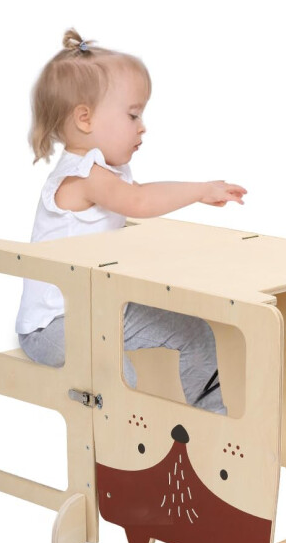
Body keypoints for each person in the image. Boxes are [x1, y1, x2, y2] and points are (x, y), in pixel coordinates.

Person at [16, 30, 248, 414]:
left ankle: (212, 419)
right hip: (54, 326)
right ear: (85, 119)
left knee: (195, 332)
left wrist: (199, 192)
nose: (142, 126)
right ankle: (123, 446)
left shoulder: (108, 174)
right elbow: (138, 202)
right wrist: (199, 191)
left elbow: (139, 193)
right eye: (132, 115)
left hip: (103, 311)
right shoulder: (82, 175)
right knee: (118, 374)